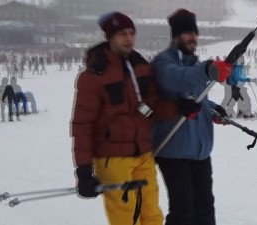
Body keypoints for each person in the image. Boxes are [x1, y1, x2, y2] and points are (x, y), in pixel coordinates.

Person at [70, 11, 180, 225]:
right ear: (110, 37)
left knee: (152, 214)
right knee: (125, 219)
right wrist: (83, 170)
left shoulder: (141, 67)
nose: (129, 38)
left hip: (144, 154)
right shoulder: (93, 76)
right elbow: (83, 125)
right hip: (112, 158)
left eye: (131, 33)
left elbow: (153, 107)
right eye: (122, 34)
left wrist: (179, 108)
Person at [151, 8, 233, 225]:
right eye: (188, 33)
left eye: (195, 33)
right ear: (175, 36)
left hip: (200, 151)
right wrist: (207, 70)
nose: (193, 38)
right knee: (183, 211)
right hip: (174, 150)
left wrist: (214, 110)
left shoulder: (194, 65)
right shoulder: (163, 62)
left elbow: (198, 100)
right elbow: (176, 81)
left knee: (205, 207)